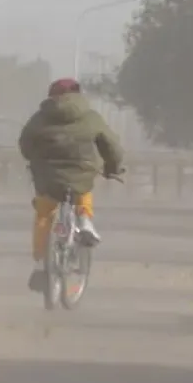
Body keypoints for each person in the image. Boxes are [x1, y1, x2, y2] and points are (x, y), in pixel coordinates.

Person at [18, 77, 124, 292]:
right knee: (82, 187)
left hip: (48, 175)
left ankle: (41, 264)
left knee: (44, 213)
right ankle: (84, 221)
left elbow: (25, 144)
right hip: (81, 171)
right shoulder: (91, 117)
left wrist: (34, 158)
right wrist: (112, 168)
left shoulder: (40, 118)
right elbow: (111, 146)